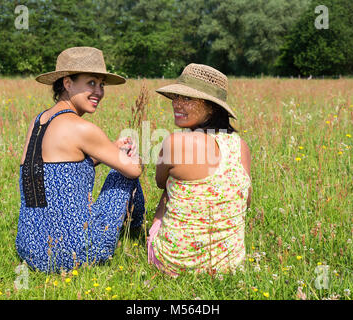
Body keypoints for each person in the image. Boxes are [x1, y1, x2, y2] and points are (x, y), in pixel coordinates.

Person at [16, 47, 145, 273]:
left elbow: (63, 169)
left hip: (30, 251)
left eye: (101, 84)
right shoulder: (82, 128)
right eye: (91, 83)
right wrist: (134, 157)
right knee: (123, 172)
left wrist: (110, 150)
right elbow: (134, 171)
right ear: (67, 83)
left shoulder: (37, 123)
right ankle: (136, 232)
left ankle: (133, 232)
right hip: (74, 255)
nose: (99, 91)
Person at [147, 63, 252, 276]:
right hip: (229, 265)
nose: (176, 103)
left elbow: (160, 183)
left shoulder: (174, 142)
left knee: (168, 187)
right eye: (176, 97)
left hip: (174, 263)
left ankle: (166, 248)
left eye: (187, 99)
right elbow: (247, 201)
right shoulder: (239, 145)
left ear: (212, 107)